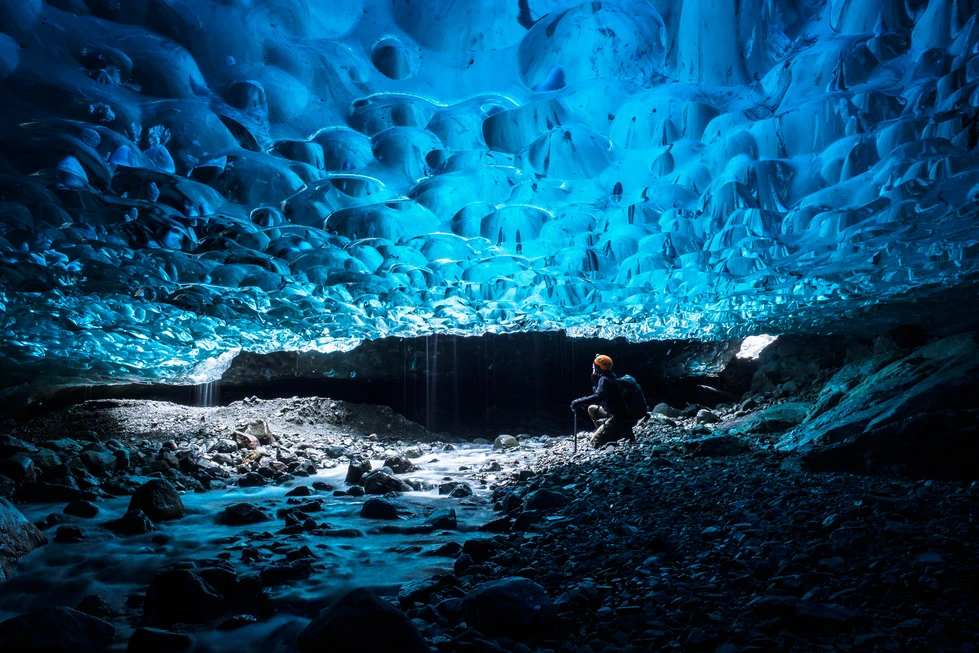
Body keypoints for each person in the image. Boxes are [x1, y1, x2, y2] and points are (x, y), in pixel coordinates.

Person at [570, 354, 632, 446]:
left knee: (595, 442)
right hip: (613, 412)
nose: (593, 369)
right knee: (592, 408)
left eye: (594, 367)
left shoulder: (604, 380)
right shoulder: (611, 376)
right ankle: (606, 431)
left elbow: (598, 396)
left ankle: (610, 434)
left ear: (599, 368)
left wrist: (578, 402)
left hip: (615, 416)